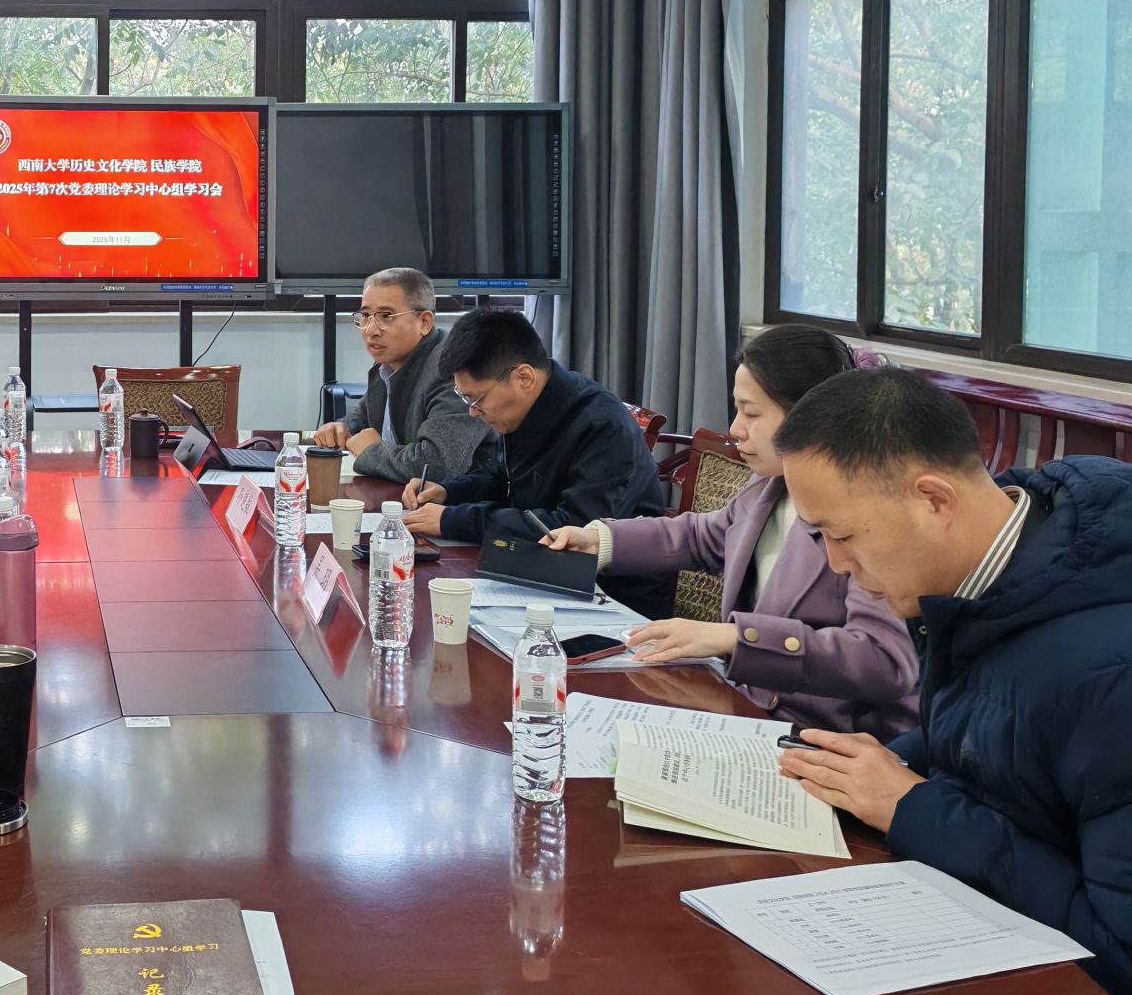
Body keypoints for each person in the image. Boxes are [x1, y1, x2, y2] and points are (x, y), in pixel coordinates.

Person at [771, 368, 1132, 995]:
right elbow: (999, 730)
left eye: (843, 535)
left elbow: (1119, 959)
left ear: (934, 501)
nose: (837, 565)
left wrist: (913, 808)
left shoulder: (1112, 676)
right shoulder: (993, 573)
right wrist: (875, 766)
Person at [537, 325, 918, 736]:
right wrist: (601, 540)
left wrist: (738, 638)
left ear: (811, 416)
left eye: (751, 413)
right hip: (745, 709)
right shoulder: (770, 484)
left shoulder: (869, 513)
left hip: (824, 738)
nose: (735, 429)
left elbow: (881, 660)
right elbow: (705, 536)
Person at [399, 307, 672, 617]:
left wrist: (453, 519)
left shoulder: (602, 426)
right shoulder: (525, 407)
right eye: (465, 399)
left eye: (475, 399)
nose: (472, 412)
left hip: (612, 600)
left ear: (524, 377)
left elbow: (572, 529)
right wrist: (448, 492)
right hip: (535, 575)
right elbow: (501, 478)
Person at [310, 267, 492, 485]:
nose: (371, 330)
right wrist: (343, 427)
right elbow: (364, 414)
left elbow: (437, 465)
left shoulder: (452, 370)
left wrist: (371, 451)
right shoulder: (388, 362)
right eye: (365, 316)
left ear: (424, 322)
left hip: (460, 501)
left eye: (386, 316)